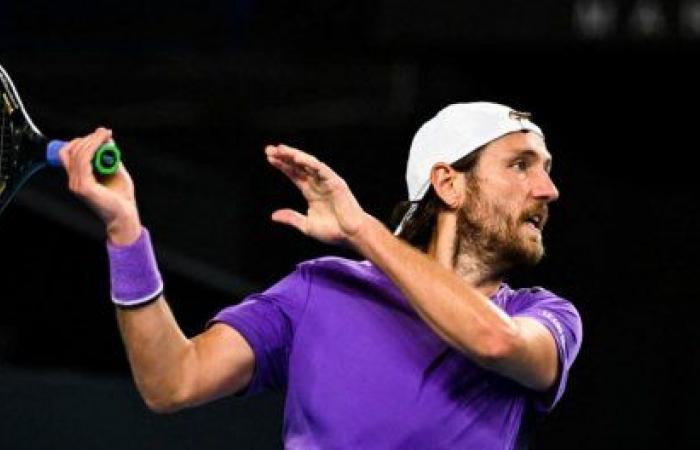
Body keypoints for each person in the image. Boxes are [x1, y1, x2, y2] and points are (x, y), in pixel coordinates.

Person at [60, 102, 582, 449]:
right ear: (447, 183)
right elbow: (172, 381)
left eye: (547, 169)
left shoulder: (542, 315)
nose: (547, 189)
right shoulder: (320, 289)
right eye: (521, 165)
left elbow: (493, 340)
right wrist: (125, 231)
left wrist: (360, 230)